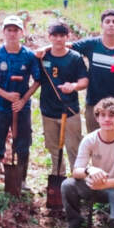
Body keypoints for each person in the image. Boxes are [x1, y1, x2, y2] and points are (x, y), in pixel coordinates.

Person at [0, 15, 41, 195]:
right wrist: (5, 95)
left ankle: (21, 182)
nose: (12, 33)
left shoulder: (29, 56)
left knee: (23, 143)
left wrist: (23, 100)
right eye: (9, 30)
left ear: (22, 33)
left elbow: (38, 80)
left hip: (22, 108)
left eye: (16, 30)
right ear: (4, 32)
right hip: (1, 106)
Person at [61, 97, 114, 228]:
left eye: (111, 115)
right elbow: (76, 171)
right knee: (68, 185)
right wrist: (89, 170)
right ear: (97, 118)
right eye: (103, 115)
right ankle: (75, 223)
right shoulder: (89, 140)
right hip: (95, 185)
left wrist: (106, 183)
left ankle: (113, 222)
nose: (107, 119)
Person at [70, 9, 114, 132]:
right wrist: (45, 49)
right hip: (94, 103)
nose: (111, 24)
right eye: (107, 21)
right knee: (94, 138)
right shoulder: (92, 44)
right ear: (102, 25)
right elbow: (68, 47)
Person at [38, 21, 89, 175]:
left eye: (62, 35)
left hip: (70, 110)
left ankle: (77, 179)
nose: (58, 39)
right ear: (49, 37)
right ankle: (58, 178)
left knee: (74, 148)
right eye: (55, 35)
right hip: (48, 111)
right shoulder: (42, 56)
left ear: (68, 37)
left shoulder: (75, 58)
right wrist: (43, 49)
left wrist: (73, 86)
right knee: (54, 149)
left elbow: (84, 81)